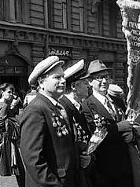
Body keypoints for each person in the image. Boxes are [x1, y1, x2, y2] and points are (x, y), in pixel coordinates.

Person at [20, 56, 80, 187]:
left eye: (63, 77)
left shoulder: (55, 106)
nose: (63, 81)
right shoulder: (36, 109)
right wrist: (53, 184)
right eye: (57, 77)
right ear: (41, 82)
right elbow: (32, 158)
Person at [82, 59, 140, 187]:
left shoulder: (117, 101)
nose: (104, 81)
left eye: (106, 77)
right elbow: (95, 136)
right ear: (89, 82)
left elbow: (128, 121)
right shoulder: (87, 106)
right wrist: (120, 127)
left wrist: (132, 132)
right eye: (99, 78)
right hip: (105, 168)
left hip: (126, 164)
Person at [59, 59, 92, 187]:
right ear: (73, 86)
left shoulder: (79, 106)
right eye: (84, 82)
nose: (88, 85)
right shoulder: (63, 108)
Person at [0, 83, 25, 187]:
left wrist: (12, 106)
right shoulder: (3, 105)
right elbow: (1, 123)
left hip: (2, 139)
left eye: (12, 92)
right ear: (2, 93)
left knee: (14, 165)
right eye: (9, 92)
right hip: (5, 140)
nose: (11, 94)